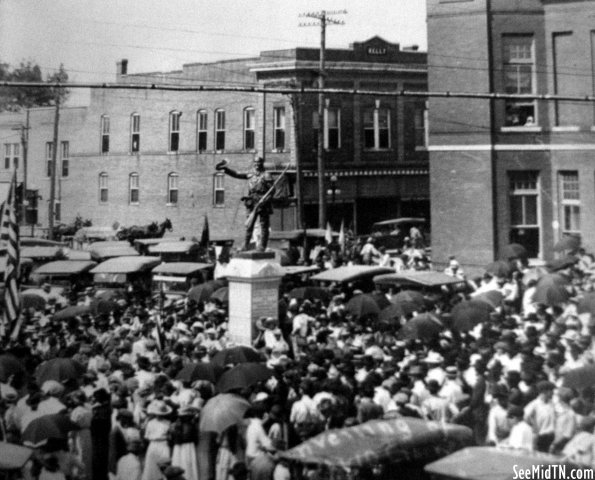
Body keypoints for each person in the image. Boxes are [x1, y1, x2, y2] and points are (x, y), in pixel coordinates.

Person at [215, 156, 274, 252]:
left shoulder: (267, 175)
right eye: (255, 162)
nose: (257, 164)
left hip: (263, 202)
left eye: (259, 162)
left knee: (264, 225)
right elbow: (237, 174)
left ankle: (262, 246)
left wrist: (265, 200)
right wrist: (225, 169)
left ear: (262, 163)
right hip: (252, 201)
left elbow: (272, 191)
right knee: (249, 224)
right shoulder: (250, 174)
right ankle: (246, 245)